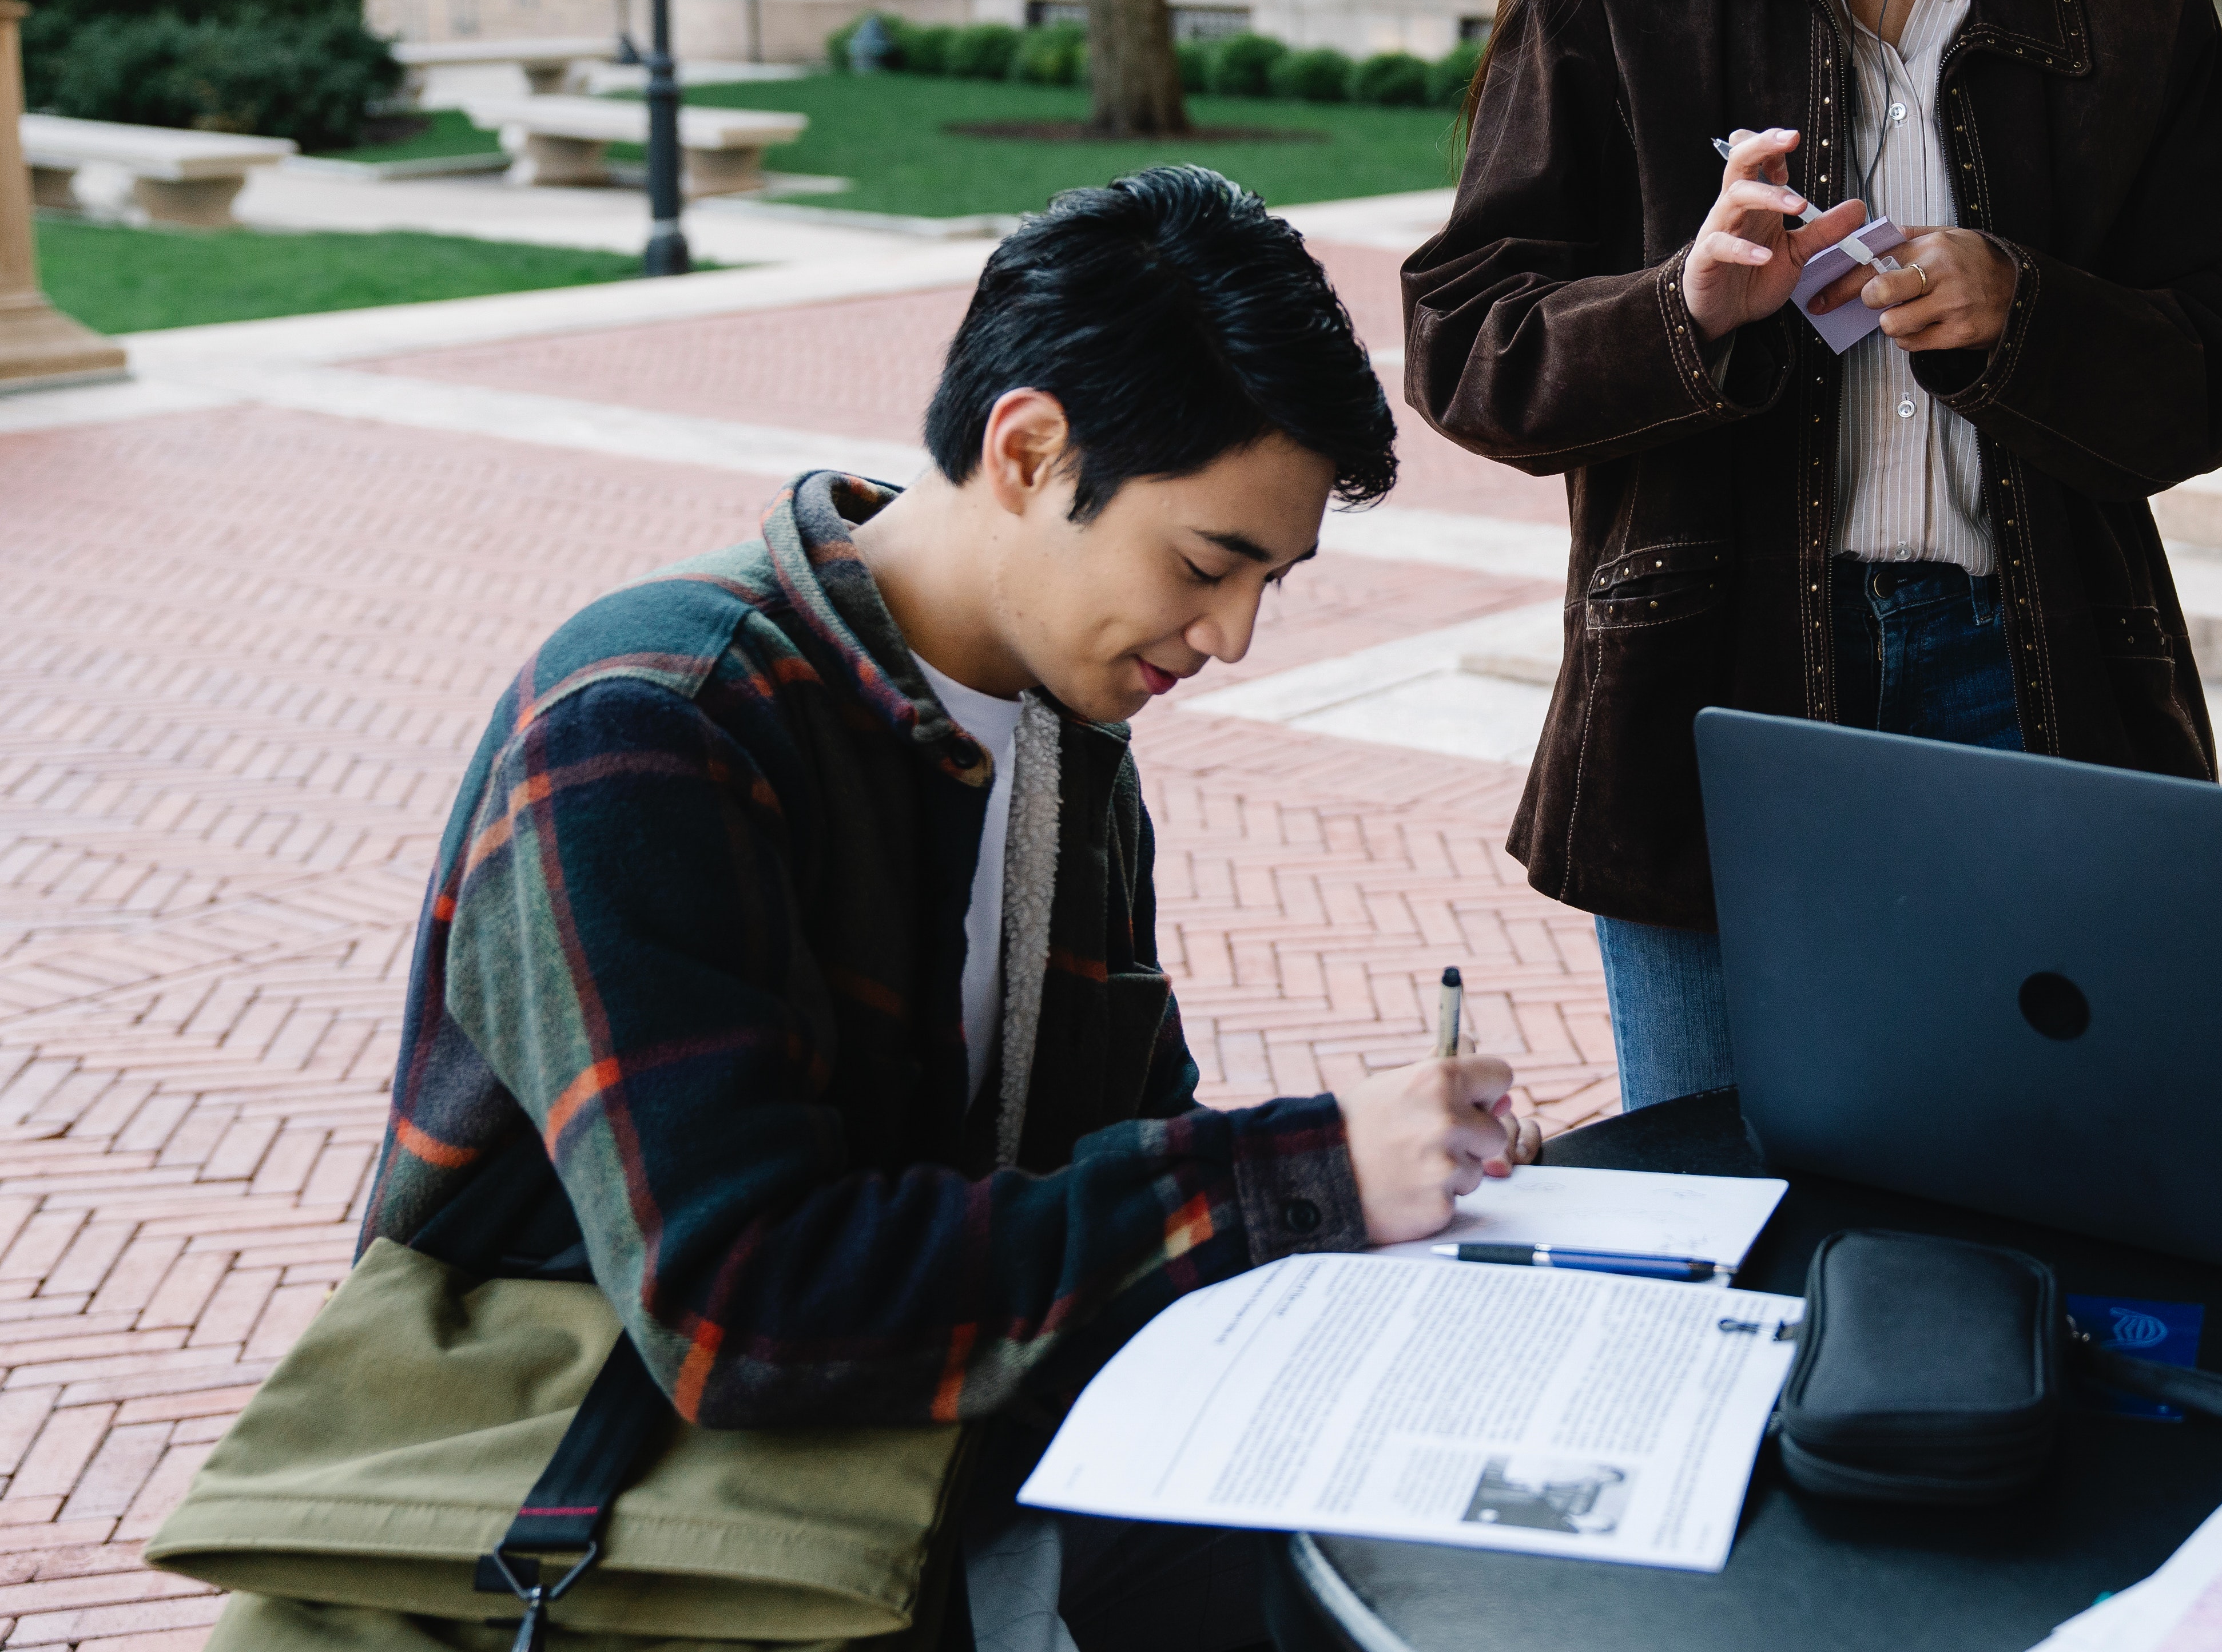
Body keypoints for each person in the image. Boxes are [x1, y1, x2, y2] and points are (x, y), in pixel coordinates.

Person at [363, 169, 1537, 1652]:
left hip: (912, 1506)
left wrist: (1382, 1179)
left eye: (1272, 585)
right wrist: (1292, 1174)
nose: (1232, 637)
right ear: (1032, 451)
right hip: (593, 1550)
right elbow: (740, 1303)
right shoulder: (655, 726)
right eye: (1204, 564)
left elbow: (1105, 1160)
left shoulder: (1069, 744)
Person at [1404, 0, 2222, 1110]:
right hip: (1711, 689)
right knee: (1725, 1199)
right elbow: (1468, 342)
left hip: (2031, 680)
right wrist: (1691, 310)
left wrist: (2024, 312)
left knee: (2033, 1173)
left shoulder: (2137, 16)